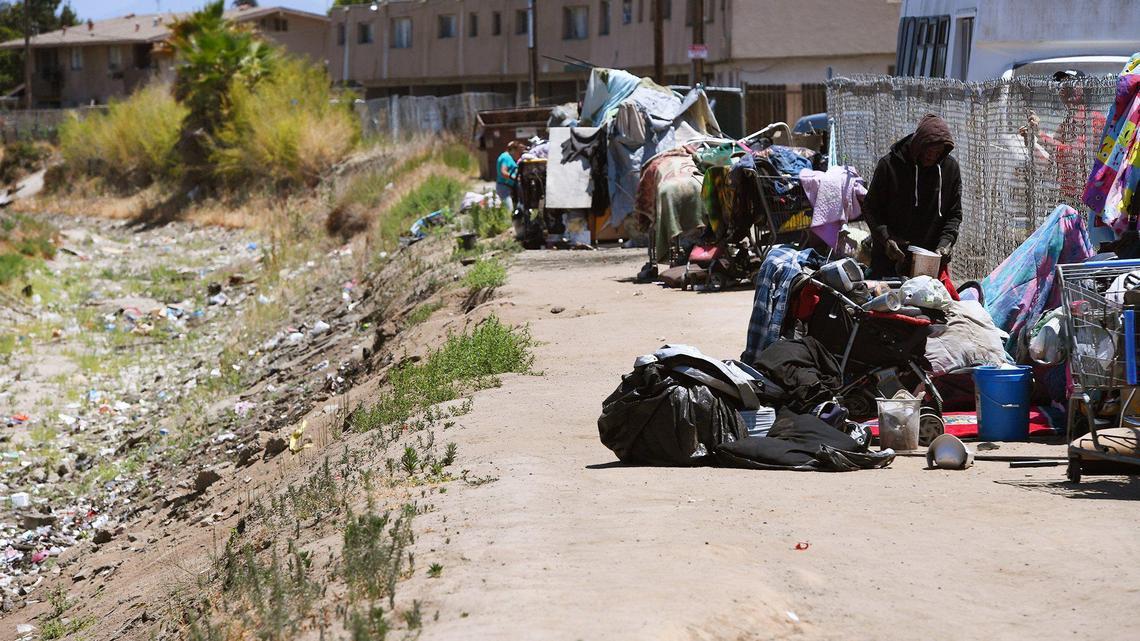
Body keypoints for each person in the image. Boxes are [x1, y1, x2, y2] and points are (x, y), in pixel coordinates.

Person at [861, 113, 963, 279]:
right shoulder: (889, 166)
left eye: (938, 152)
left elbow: (954, 214)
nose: (932, 156)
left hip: (929, 264)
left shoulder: (949, 170)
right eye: (928, 150)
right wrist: (886, 239)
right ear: (918, 144)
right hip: (889, 260)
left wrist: (945, 243)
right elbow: (870, 208)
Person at [496, 141, 524, 213]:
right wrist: (515, 178)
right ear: (513, 150)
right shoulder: (506, 157)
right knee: (509, 210)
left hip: (508, 187)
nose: (519, 155)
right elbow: (503, 172)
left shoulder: (506, 157)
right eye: (518, 152)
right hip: (504, 187)